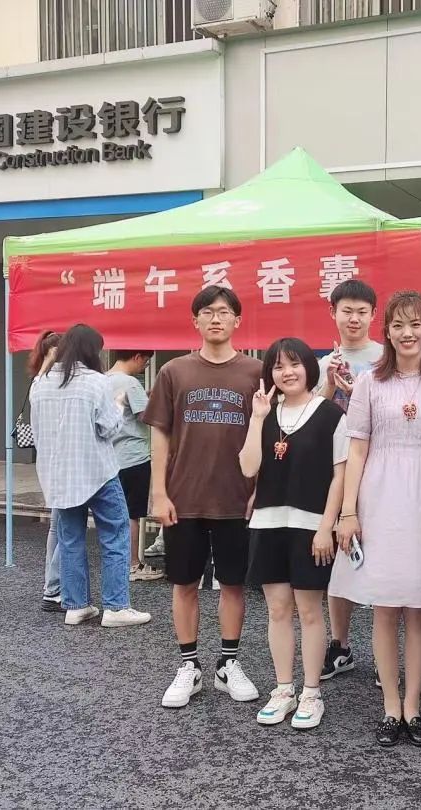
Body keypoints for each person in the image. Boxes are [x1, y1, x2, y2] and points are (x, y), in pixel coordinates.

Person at [328, 290, 421, 748]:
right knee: (385, 608)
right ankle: (390, 707)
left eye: (415, 324)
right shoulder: (369, 382)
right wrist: (349, 512)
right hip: (379, 496)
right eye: (398, 325)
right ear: (386, 331)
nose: (407, 333)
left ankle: (413, 708)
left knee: (420, 609)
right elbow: (357, 449)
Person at [143, 286, 264, 709]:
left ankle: (228, 663)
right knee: (184, 583)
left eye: (225, 312)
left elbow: (268, 433)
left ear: (237, 321)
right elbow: (160, 435)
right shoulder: (173, 372)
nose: (216, 318)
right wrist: (159, 492)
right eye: (208, 312)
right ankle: (189, 665)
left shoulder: (256, 373)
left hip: (237, 498)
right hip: (184, 498)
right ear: (195, 320)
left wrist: (259, 490)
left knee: (233, 584)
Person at [241, 338, 347, 730]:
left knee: (310, 611)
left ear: (309, 367)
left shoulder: (331, 414)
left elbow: (340, 476)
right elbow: (248, 468)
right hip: (268, 524)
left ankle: (311, 693)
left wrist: (326, 527)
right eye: (278, 366)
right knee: (277, 609)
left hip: (311, 527)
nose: (287, 372)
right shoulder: (265, 413)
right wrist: (256, 419)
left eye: (295, 364)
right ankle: (283, 689)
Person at [30, 324, 152, 629]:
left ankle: (76, 606)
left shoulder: (40, 384)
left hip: (59, 475)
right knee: (116, 533)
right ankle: (116, 606)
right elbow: (109, 428)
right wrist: (118, 405)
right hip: (97, 471)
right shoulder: (95, 382)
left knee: (70, 538)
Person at [315, 279, 383, 683]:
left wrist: (361, 394)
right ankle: (340, 646)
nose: (354, 318)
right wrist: (328, 384)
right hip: (335, 471)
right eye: (347, 311)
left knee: (382, 562)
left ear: (373, 315)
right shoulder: (326, 362)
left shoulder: (386, 358)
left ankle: (384, 657)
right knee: (340, 563)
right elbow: (311, 416)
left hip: (380, 468)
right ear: (333, 313)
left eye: (361, 311)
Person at [107, 350, 161, 582]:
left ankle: (116, 562)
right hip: (133, 456)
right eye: (146, 362)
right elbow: (147, 416)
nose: (145, 367)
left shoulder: (102, 379)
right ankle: (132, 564)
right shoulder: (130, 383)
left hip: (110, 456)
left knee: (113, 513)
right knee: (132, 514)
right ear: (137, 357)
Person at [28, 329, 64, 613]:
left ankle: (52, 587)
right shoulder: (60, 384)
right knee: (66, 529)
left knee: (57, 526)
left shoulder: (38, 384)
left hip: (48, 464)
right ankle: (53, 588)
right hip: (66, 465)